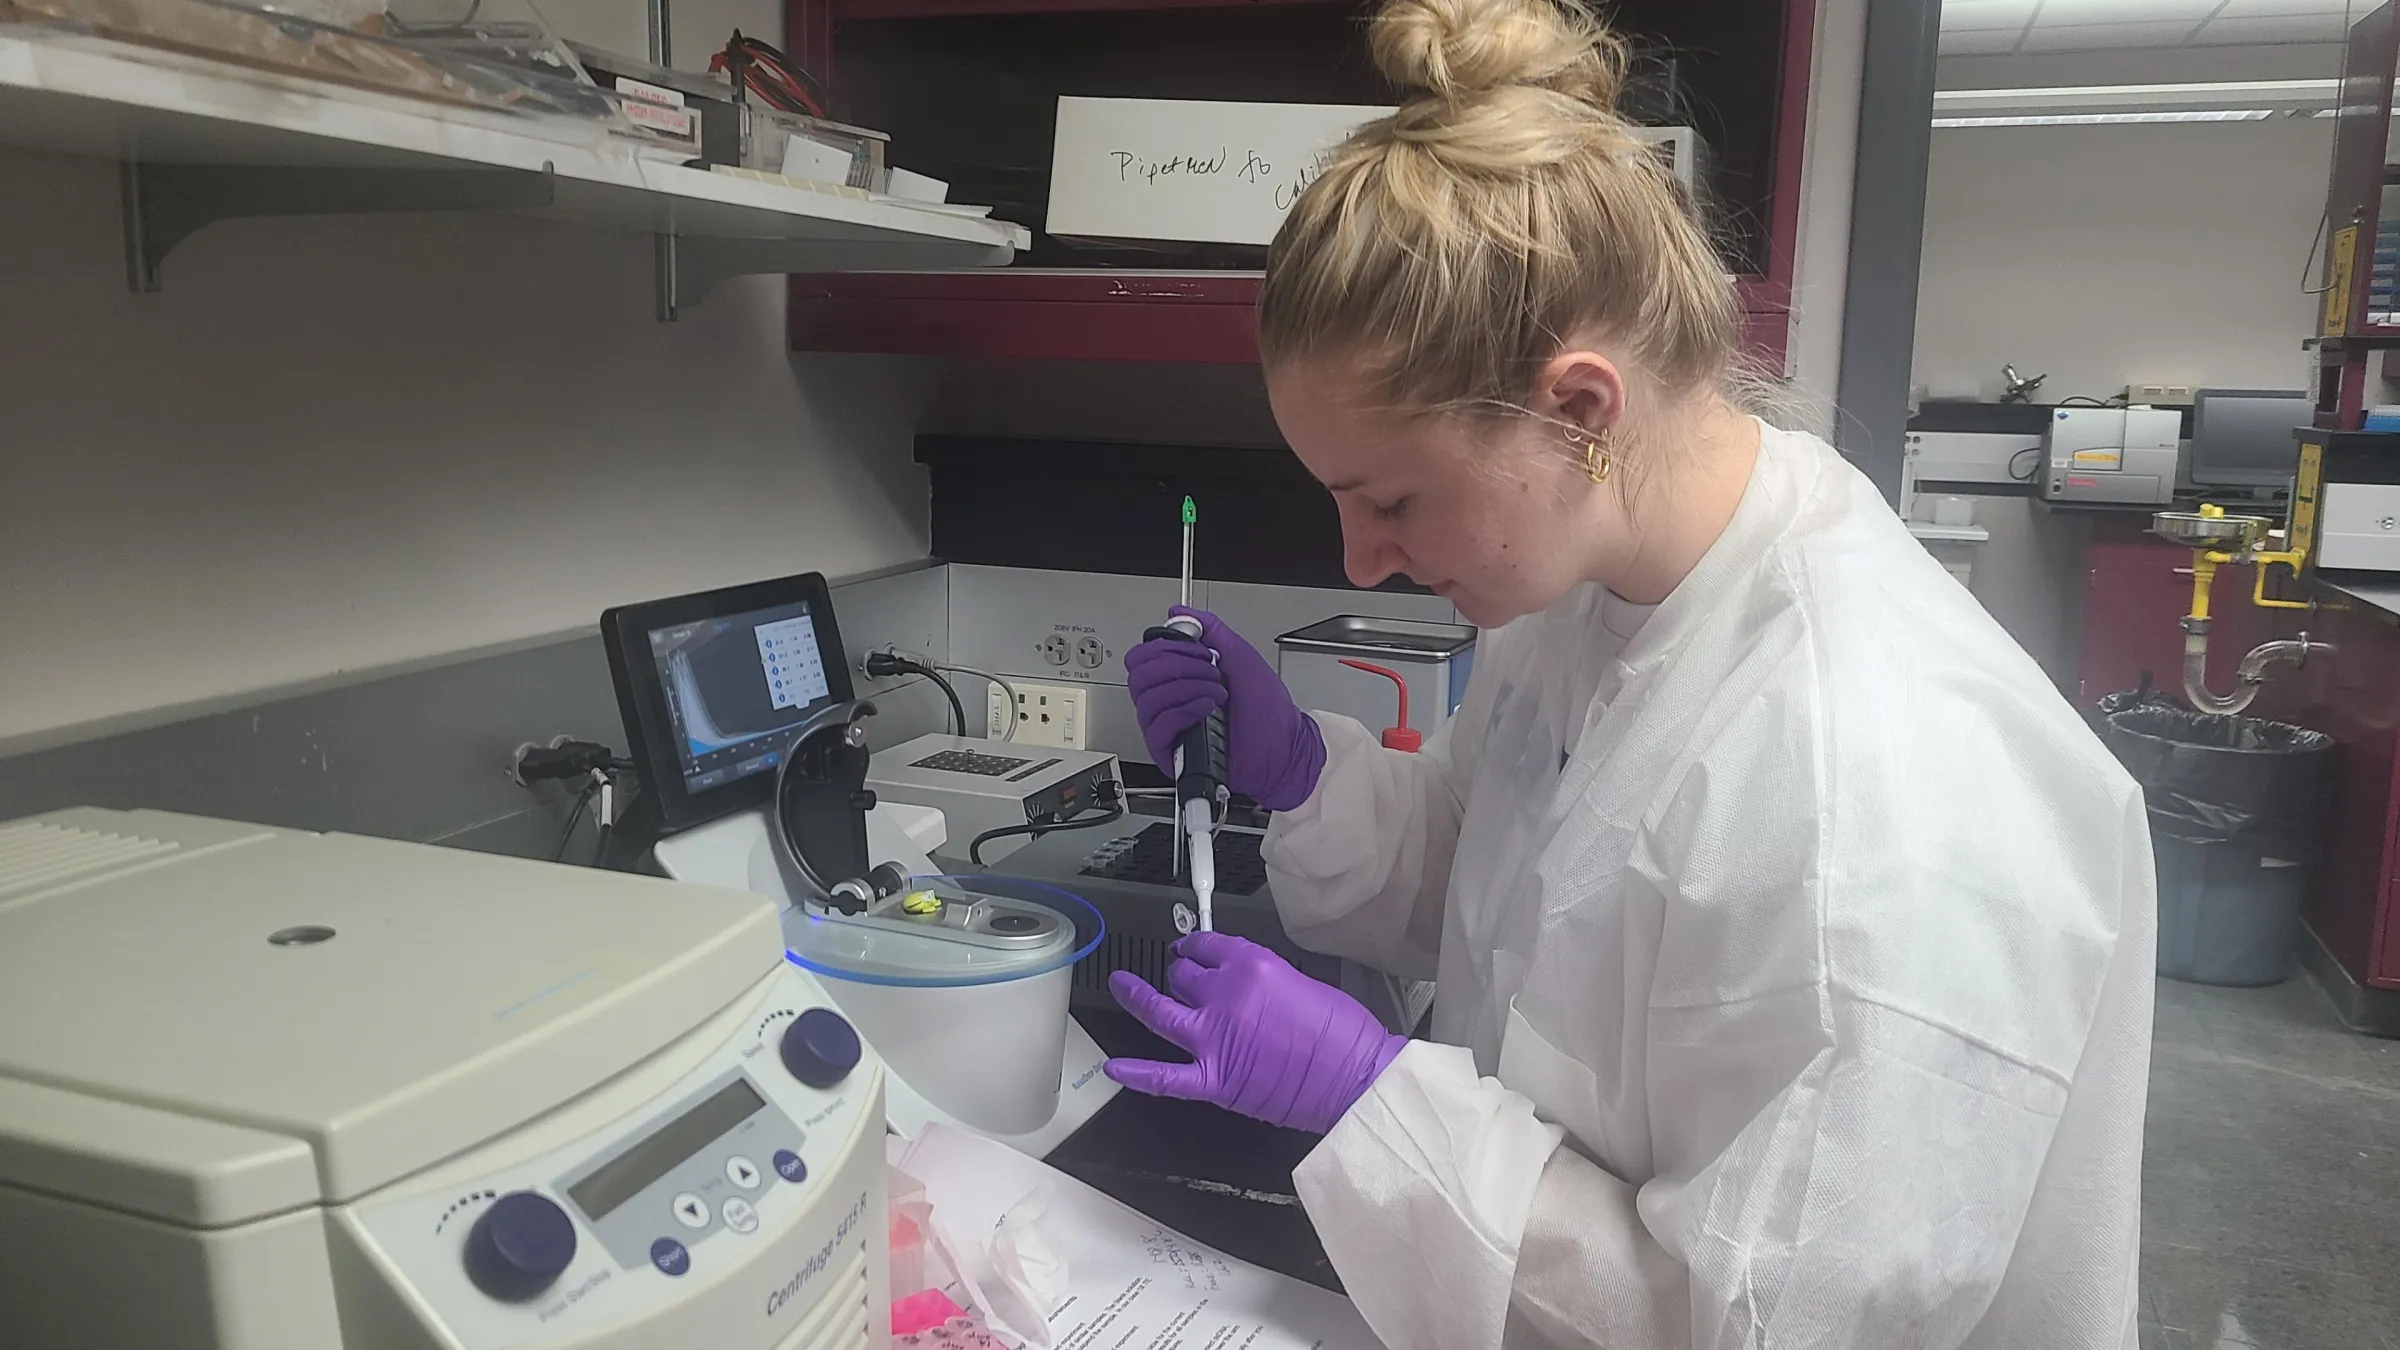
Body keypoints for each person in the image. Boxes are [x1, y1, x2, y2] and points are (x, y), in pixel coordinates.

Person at [1101, 0, 2158, 1346]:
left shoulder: (1874, 799)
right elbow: (1517, 902)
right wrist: (1304, 772)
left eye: (1395, 500)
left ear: (1581, 408)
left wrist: (1378, 1098)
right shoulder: (1591, 585)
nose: (1361, 560)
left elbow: (1749, 1324)